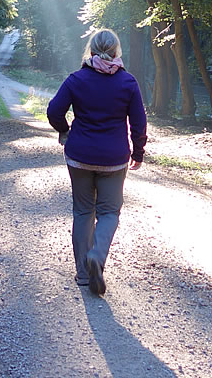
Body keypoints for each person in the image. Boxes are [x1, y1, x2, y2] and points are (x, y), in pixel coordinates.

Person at [46, 28, 146, 295]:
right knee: (109, 212)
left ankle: (82, 274)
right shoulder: (128, 82)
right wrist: (138, 152)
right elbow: (138, 122)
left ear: (90, 50)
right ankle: (97, 257)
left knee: (82, 211)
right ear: (116, 51)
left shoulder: (76, 79)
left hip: (79, 156)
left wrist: (65, 130)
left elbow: (54, 111)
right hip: (114, 159)